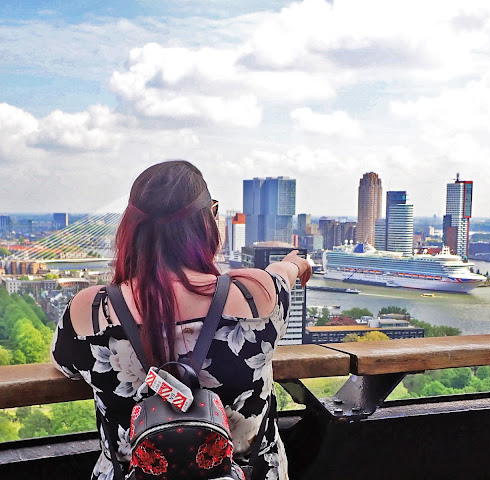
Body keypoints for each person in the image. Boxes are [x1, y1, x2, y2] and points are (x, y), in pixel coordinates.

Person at [51, 160, 311, 480]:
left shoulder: (90, 310)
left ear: (131, 229)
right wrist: (293, 265)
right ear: (207, 223)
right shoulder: (255, 293)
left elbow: (64, 364)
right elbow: (281, 276)